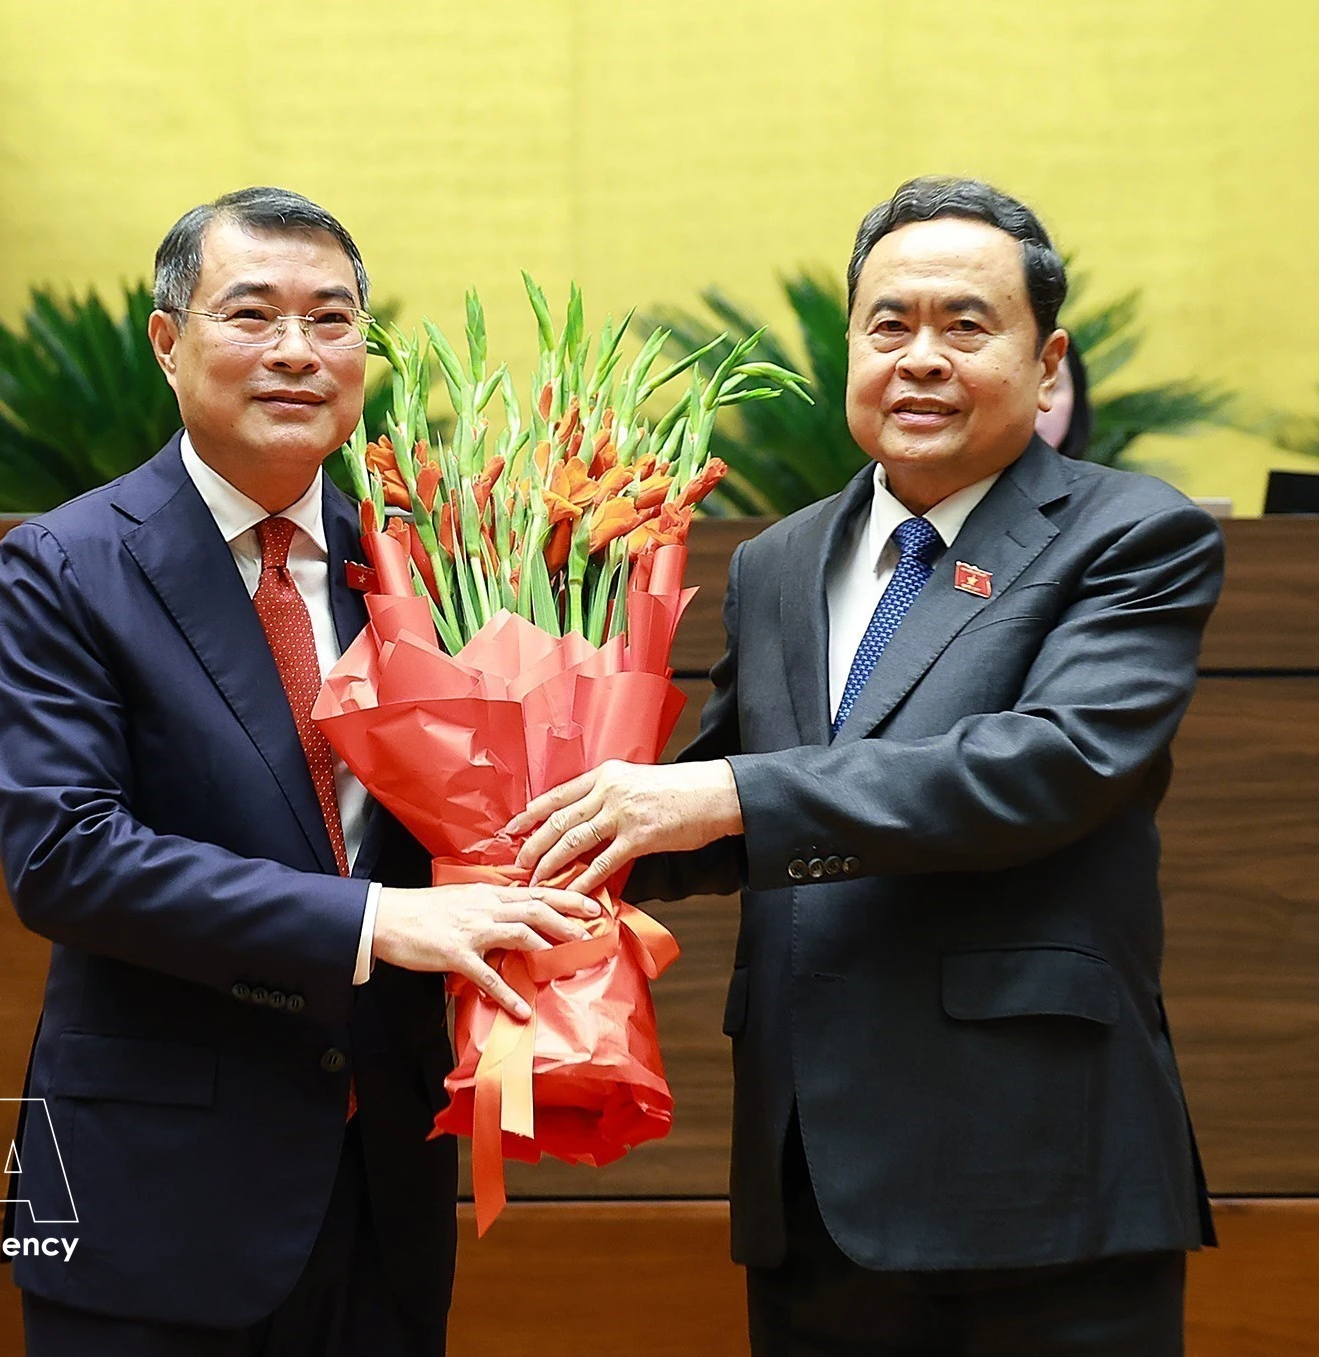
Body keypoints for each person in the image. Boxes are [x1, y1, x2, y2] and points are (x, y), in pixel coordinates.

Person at [507, 176, 1221, 1355]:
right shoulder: (781, 561)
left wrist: (714, 793)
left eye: (964, 325)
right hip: (810, 1177)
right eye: (889, 324)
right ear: (851, 350)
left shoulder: (1131, 534)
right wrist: (543, 844)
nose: (921, 357)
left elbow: (1051, 763)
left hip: (1035, 1170)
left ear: (1048, 368)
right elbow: (727, 797)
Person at [0, 186, 598, 1356]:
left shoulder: (426, 567)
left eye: (332, 320)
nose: (298, 353)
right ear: (167, 343)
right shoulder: (64, 567)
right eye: (252, 315)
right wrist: (376, 919)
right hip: (158, 1198)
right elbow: (63, 860)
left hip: (382, 1194)